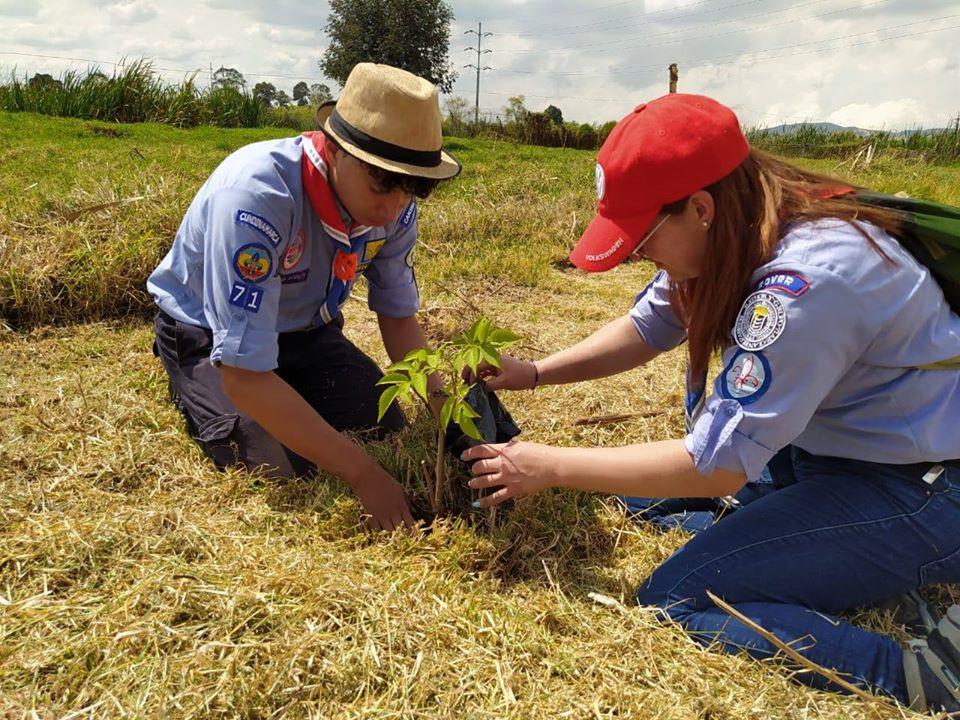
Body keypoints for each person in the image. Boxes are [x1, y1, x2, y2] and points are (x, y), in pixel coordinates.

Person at [462, 93, 960, 711]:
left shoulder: (805, 283)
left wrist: (551, 465)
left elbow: (716, 465)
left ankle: (921, 674)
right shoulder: (742, 221)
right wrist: (534, 372)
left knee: (678, 596)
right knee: (630, 493)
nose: (640, 256)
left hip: (921, 490)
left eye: (643, 240)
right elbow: (648, 326)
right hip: (834, 457)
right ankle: (840, 560)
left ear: (698, 207)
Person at [147, 63, 461, 532]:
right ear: (335, 150)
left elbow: (398, 318)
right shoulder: (256, 199)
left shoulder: (395, 209)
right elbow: (243, 374)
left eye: (411, 189)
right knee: (270, 464)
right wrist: (362, 474)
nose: (392, 209)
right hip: (209, 332)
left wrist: (452, 418)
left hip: (307, 331)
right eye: (382, 186)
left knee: (383, 426)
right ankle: (188, 377)